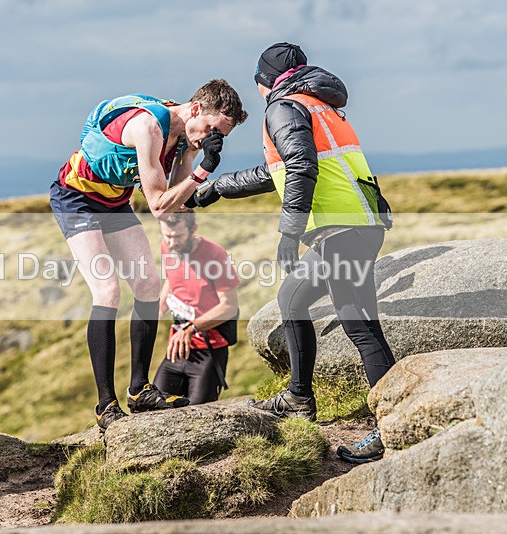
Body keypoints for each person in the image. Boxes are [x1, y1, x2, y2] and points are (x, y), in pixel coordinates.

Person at [187, 43, 395, 463]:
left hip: (341, 231)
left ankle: (391, 426)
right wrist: (217, 189)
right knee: (292, 299)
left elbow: (300, 168)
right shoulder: (319, 105)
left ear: (262, 81)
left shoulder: (281, 108)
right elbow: (278, 170)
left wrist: (289, 234)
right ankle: (299, 397)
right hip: (355, 225)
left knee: (361, 328)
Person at [50, 80, 247, 431]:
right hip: (76, 198)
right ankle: (105, 404)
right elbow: (158, 206)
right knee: (108, 291)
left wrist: (194, 156)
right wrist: (206, 168)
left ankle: (139, 390)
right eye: (213, 130)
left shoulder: (185, 136)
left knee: (148, 284)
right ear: (197, 109)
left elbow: (177, 204)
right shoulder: (149, 127)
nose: (210, 139)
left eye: (221, 137)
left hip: (113, 202)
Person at [153, 210, 239, 404]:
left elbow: (230, 306)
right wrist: (159, 307)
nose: (172, 242)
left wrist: (192, 328)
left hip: (209, 350)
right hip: (177, 347)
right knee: (153, 407)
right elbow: (171, 280)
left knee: (198, 415)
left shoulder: (215, 254)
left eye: (178, 236)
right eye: (167, 236)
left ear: (193, 230)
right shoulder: (168, 247)